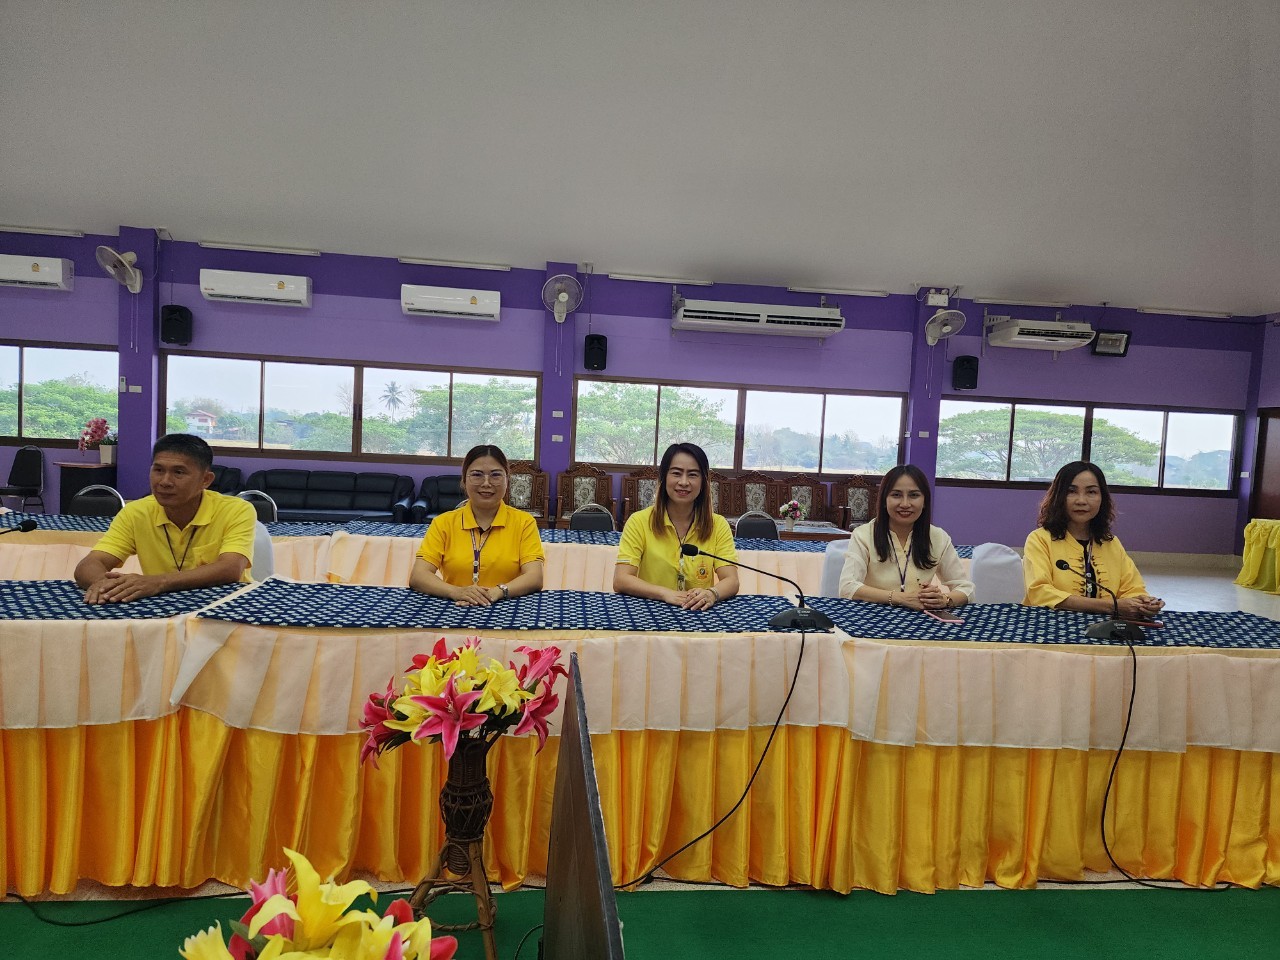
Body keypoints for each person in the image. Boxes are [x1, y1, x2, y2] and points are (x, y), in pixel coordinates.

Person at [74, 433, 257, 603]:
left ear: (206, 480)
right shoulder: (136, 512)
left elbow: (230, 568)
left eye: (179, 472)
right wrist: (106, 586)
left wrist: (158, 582)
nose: (165, 481)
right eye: (159, 470)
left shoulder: (236, 510)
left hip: (226, 604)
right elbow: (90, 564)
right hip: (160, 607)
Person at [1023, 461, 1164, 617]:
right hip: (1049, 624)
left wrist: (1143, 602)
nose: (1081, 501)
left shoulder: (1111, 543)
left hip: (1105, 628)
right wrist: (1111, 606)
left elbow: (1132, 589)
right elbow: (1040, 592)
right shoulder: (1040, 539)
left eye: (1091, 492)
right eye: (1071, 491)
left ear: (1102, 498)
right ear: (1058, 496)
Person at [409, 444, 544, 605]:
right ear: (464, 480)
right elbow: (419, 575)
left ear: (507, 480)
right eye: (477, 475)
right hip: (454, 610)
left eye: (495, 475)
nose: (486, 483)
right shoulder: (443, 523)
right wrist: (457, 592)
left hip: (508, 610)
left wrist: (497, 592)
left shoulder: (524, 522)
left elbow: (535, 577)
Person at [614, 442, 739, 610]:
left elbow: (731, 580)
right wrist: (665, 594)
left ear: (703, 481)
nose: (684, 482)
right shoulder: (639, 522)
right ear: (664, 477)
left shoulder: (718, 525)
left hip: (697, 613)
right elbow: (621, 579)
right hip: (650, 611)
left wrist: (711, 593)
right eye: (676, 473)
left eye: (693, 475)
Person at [838, 464, 972, 610]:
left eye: (914, 495)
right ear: (884, 500)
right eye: (896, 495)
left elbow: (966, 589)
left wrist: (944, 599)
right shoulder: (863, 535)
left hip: (921, 619)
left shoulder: (938, 537)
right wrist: (901, 598)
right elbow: (847, 587)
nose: (905, 504)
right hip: (872, 616)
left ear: (925, 501)